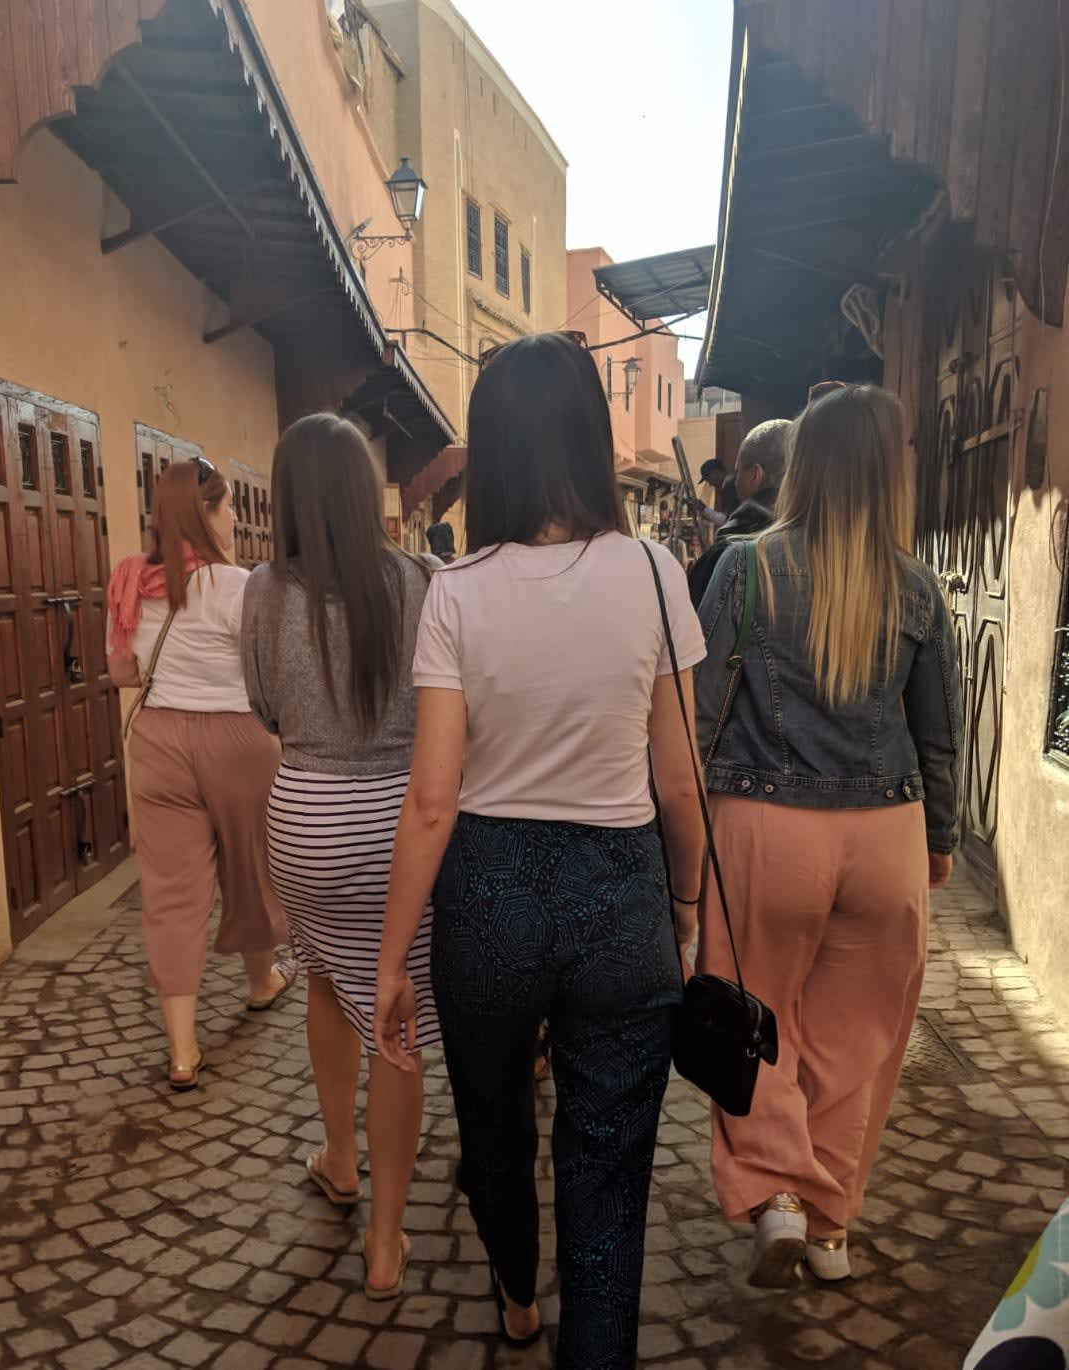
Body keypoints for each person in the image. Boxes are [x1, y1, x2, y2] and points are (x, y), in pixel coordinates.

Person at [372, 331, 706, 1368]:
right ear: (590, 441)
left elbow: (431, 799)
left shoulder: (457, 592)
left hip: (489, 892)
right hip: (619, 892)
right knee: (607, 1180)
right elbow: (680, 778)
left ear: (494, 453)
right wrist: (683, 903)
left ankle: (516, 1294)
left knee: (496, 1131)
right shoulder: (654, 575)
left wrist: (388, 959)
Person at [694, 385, 963, 1288]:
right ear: (890, 471)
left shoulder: (748, 566)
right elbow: (938, 732)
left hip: (765, 831)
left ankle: (773, 1196)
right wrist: (940, 838)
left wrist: (683, 829)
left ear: (804, 464)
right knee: (858, 1042)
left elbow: (701, 712)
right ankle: (830, 1225)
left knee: (750, 1017)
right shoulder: (917, 586)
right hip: (884, 834)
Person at [240, 413, 438, 1301]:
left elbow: (265, 708)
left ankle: (338, 1157)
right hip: (400, 820)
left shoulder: (260, 592)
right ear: (367, 493)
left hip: (305, 816)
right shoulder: (419, 581)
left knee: (324, 976)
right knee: (398, 1017)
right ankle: (387, 1239)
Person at [106, 459, 296, 1093]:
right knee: (251, 866)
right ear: (204, 513)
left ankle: (183, 1051)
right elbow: (270, 674)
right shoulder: (238, 586)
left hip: (158, 741)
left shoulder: (133, 579)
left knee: (170, 893)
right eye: (229, 506)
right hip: (236, 738)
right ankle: (260, 982)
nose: (236, 516)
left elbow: (123, 675)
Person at [687, 419, 791, 608]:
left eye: (739, 471)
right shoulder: (832, 548)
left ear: (755, 474)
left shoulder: (731, 554)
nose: (737, 481)